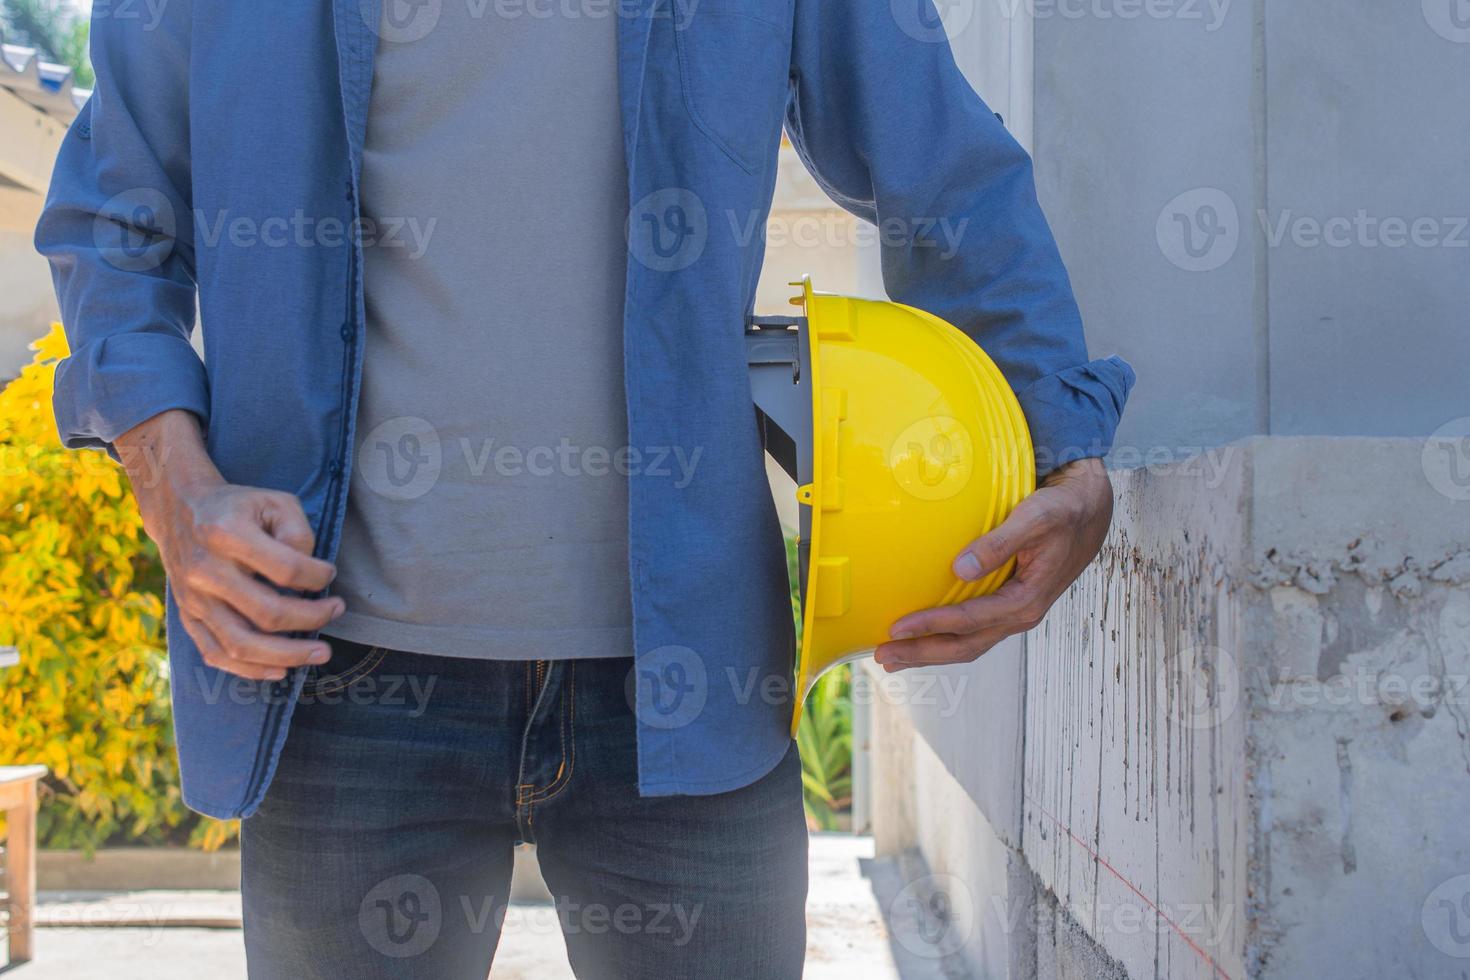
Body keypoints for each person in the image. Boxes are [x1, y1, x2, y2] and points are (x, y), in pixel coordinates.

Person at [37, 0, 1133, 976]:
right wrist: (170, 479)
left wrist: (1058, 447)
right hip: (339, 684)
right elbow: (113, 224)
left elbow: (947, 174)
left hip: (687, 687)